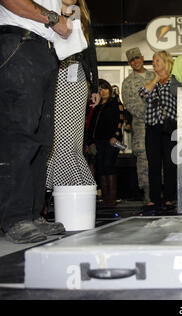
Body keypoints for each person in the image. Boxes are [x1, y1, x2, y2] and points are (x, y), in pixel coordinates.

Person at [0, 0, 72, 243]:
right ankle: (15, 216)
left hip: (45, 47)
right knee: (20, 134)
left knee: (42, 139)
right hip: (20, 41)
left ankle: (31, 214)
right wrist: (53, 18)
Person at [46, 0, 99, 191]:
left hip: (79, 77)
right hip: (57, 74)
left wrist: (95, 87)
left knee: (75, 135)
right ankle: (58, 185)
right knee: (60, 134)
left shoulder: (82, 16)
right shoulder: (49, 10)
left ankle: (71, 187)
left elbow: (91, 53)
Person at [139, 51, 177, 213]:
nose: (154, 63)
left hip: (170, 127)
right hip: (153, 127)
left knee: (170, 164)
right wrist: (155, 79)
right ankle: (154, 198)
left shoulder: (175, 81)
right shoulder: (152, 82)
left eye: (157, 60)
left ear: (166, 62)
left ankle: (169, 198)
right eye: (153, 61)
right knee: (153, 164)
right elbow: (143, 93)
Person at [121, 47, 155, 205]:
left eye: (137, 58)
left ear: (142, 58)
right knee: (143, 157)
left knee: (158, 155)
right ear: (129, 63)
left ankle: (160, 191)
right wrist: (148, 113)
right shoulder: (127, 82)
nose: (135, 62)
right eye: (132, 60)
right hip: (141, 124)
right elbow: (129, 104)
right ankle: (147, 193)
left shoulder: (154, 75)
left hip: (158, 123)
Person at [86, 79, 125, 207]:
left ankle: (112, 197)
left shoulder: (115, 103)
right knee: (100, 168)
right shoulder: (96, 106)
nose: (102, 91)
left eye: (104, 88)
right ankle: (105, 197)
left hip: (111, 140)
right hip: (98, 141)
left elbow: (120, 119)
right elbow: (91, 125)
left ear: (109, 89)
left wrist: (116, 135)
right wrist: (90, 142)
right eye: (100, 89)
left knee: (109, 166)